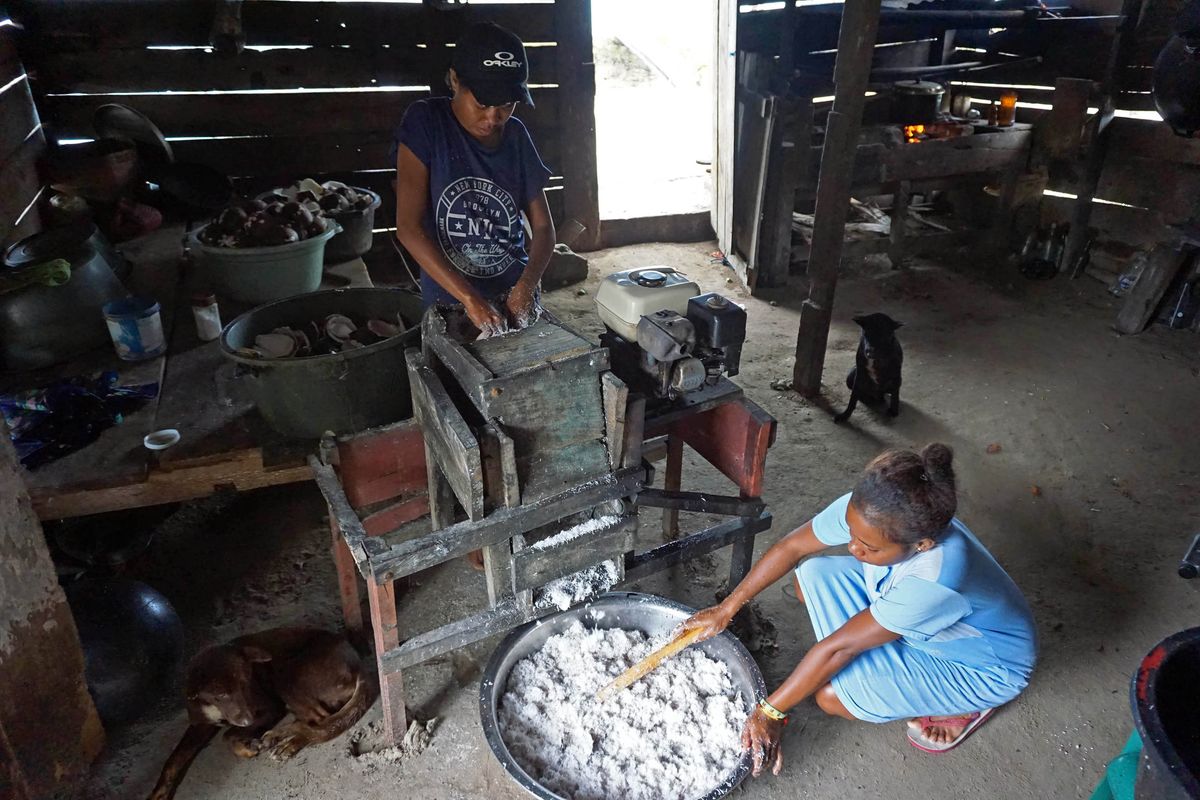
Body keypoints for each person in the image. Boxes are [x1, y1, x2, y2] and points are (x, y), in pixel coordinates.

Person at [680, 443, 1037, 775]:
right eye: (851, 532)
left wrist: (770, 712)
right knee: (810, 577)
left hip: (982, 664)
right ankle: (890, 647)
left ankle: (966, 706)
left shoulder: (937, 578)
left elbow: (840, 648)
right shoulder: (873, 509)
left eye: (868, 547)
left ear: (922, 544)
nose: (852, 547)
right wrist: (725, 609)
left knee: (833, 697)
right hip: (915, 618)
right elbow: (793, 548)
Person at [393, 21, 555, 335]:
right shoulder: (426, 124)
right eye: (482, 103)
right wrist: (470, 298)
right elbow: (408, 229)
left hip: (514, 293)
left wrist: (526, 286)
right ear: (454, 81)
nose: (493, 117)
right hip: (450, 297)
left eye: (506, 105)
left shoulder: (517, 137)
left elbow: (544, 227)